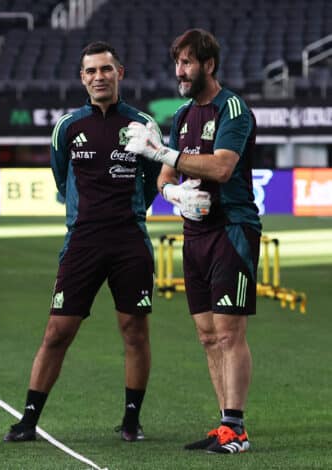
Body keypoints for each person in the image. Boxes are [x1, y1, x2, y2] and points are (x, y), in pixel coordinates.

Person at [4, 41, 162, 443]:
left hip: (130, 241)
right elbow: (62, 179)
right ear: (82, 78)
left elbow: (152, 180)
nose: (98, 77)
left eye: (106, 70)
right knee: (57, 331)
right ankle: (28, 421)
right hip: (82, 243)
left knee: (134, 330)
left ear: (120, 73)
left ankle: (131, 420)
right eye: (91, 71)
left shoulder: (143, 125)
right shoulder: (68, 126)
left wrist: (130, 212)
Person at [125, 28, 260, 454]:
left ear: (209, 65)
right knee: (206, 335)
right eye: (177, 63)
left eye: (187, 63)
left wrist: (161, 154)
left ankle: (236, 429)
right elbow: (167, 177)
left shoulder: (233, 109)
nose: (180, 71)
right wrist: (174, 194)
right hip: (195, 233)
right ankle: (224, 426)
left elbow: (221, 168)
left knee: (228, 332)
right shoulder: (183, 115)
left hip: (232, 229)